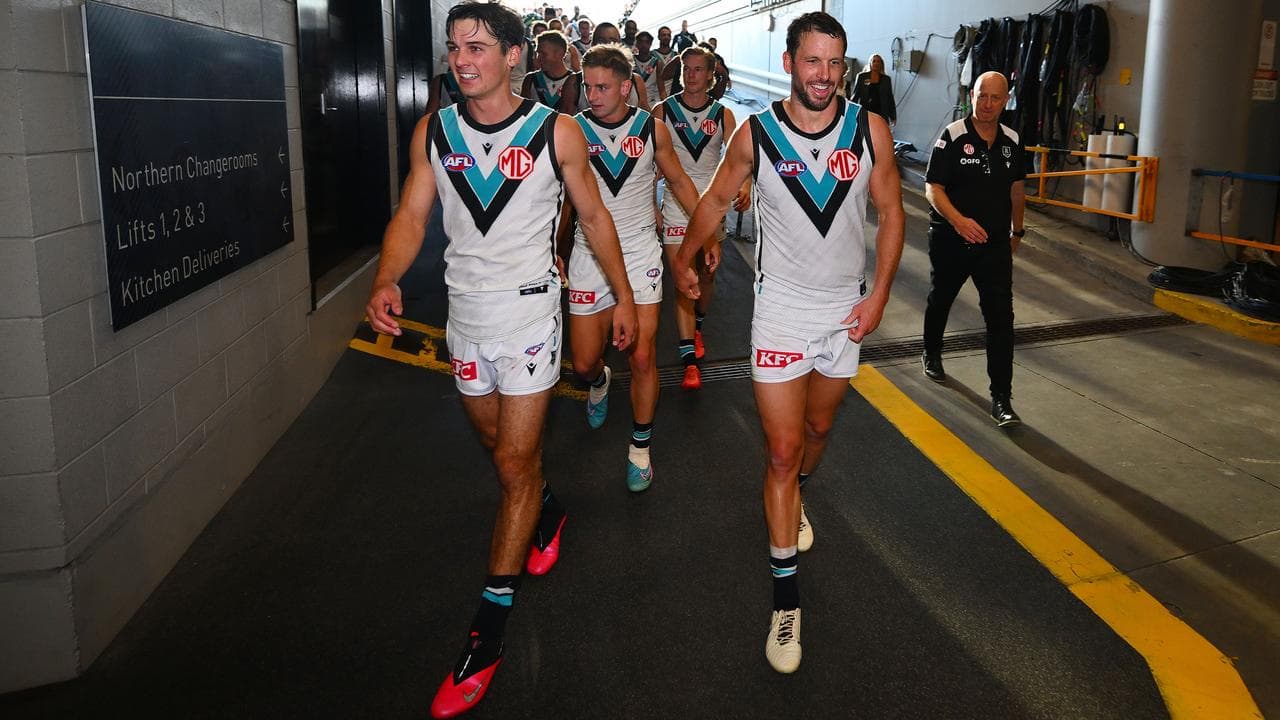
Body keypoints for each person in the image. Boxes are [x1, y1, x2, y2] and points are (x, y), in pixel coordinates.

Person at [365, 4, 638, 716]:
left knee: (514, 465)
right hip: (466, 315)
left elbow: (597, 216)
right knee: (498, 447)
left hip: (528, 313)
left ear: (514, 55)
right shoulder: (437, 131)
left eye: (477, 46)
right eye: (455, 46)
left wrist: (626, 297)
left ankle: (488, 631)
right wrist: (388, 277)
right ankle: (545, 507)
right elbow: (412, 217)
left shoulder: (557, 132)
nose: (461, 59)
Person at [674, 11, 904, 674]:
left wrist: (879, 294)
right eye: (813, 62)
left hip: (843, 313)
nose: (824, 76)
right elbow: (717, 200)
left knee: (816, 431)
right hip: (779, 311)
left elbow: (891, 211)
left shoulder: (869, 129)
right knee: (779, 452)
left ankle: (799, 489)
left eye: (835, 64)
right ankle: (785, 599)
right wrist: (689, 256)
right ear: (790, 61)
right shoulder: (759, 133)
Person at [560, 43, 701, 492]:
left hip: (640, 252)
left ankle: (640, 447)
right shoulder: (571, 130)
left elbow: (678, 180)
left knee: (641, 356)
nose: (593, 95)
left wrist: (707, 233)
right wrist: (553, 247)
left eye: (603, 87)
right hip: (588, 253)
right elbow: (561, 200)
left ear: (626, 87)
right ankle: (600, 381)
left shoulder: (651, 129)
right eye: (587, 86)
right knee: (583, 362)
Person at [921, 71, 1026, 427]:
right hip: (952, 239)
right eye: (981, 96)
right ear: (971, 95)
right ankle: (931, 351)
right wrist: (958, 221)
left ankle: (1002, 399)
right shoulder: (952, 136)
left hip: (994, 245)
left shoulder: (1012, 140)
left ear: (1005, 100)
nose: (987, 104)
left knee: (1001, 319)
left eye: (995, 98)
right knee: (942, 298)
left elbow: (1016, 190)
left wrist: (1018, 231)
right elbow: (933, 188)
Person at [653, 45, 749, 390]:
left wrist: (746, 185)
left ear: (710, 76)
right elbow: (649, 168)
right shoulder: (661, 111)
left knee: (707, 278)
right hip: (675, 208)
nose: (691, 75)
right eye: (686, 69)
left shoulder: (724, 114)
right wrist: (652, 204)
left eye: (698, 69)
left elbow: (740, 159)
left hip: (711, 209)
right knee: (683, 279)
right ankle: (688, 361)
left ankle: (698, 327)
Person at [577, 23, 648, 111]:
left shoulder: (636, 80)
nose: (607, 45)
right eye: (601, 41)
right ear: (592, 44)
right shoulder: (575, 81)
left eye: (613, 41)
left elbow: (646, 115)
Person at [521, 30, 579, 114]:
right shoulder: (530, 79)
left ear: (560, 54)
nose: (538, 58)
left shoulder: (575, 81)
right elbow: (523, 113)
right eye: (538, 53)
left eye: (543, 54)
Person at [851, 53, 896, 125]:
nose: (876, 63)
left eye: (878, 61)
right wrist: (851, 112)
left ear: (881, 64)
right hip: (865, 111)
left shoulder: (886, 79)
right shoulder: (861, 77)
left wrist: (893, 116)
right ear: (870, 63)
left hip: (881, 113)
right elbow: (856, 95)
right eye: (874, 61)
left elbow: (890, 98)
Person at [631, 31, 663, 110]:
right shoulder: (630, 61)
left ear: (651, 43)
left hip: (651, 105)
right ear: (636, 43)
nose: (644, 45)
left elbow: (661, 89)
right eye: (641, 41)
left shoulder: (657, 63)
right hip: (632, 105)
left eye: (647, 42)